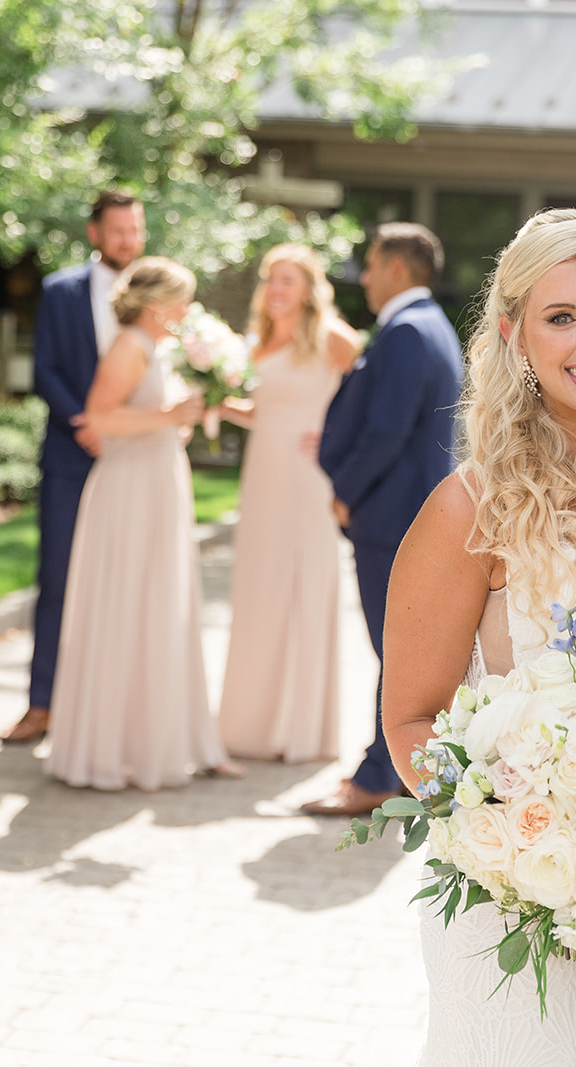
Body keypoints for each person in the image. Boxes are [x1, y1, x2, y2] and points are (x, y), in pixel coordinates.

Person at [382, 209, 576, 1062]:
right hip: (522, 921)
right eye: (562, 317)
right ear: (516, 336)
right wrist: (526, 840)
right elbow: (410, 722)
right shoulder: (470, 509)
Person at [43, 258, 237, 790]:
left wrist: (183, 417)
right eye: (182, 301)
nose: (187, 312)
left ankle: (159, 739)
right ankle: (110, 746)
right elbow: (99, 416)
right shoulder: (130, 346)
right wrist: (168, 418)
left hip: (158, 479)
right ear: (157, 306)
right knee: (125, 602)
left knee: (159, 605)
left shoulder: (158, 348)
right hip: (127, 488)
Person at [299, 223, 463, 817]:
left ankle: (377, 778)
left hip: (392, 520)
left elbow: (386, 431)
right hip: (403, 516)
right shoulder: (428, 327)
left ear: (397, 267)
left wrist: (345, 490)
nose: (363, 277)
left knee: (395, 653)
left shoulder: (406, 333)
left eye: (370, 264)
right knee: (402, 651)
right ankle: (394, 771)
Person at [4, 190, 147, 745]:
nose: (127, 240)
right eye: (117, 231)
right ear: (94, 233)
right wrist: (84, 423)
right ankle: (42, 705)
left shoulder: (158, 291)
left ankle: (119, 710)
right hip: (72, 457)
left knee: (130, 582)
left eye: (134, 230)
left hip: (137, 462)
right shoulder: (59, 291)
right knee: (59, 580)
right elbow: (44, 369)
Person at [215, 245, 360, 762]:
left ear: (308, 289)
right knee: (261, 586)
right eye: (271, 279)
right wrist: (217, 402)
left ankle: (301, 730)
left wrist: (336, 437)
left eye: (288, 280)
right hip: (262, 477)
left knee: (302, 587)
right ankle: (253, 726)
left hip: (308, 478)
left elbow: (369, 393)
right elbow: (263, 410)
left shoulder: (332, 338)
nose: (276, 289)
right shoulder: (258, 339)